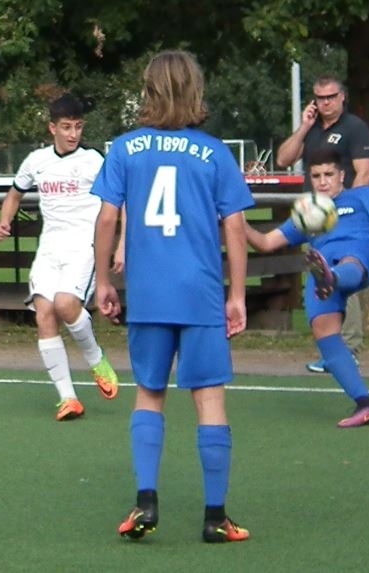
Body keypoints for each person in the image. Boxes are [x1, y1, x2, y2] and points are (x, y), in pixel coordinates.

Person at [91, 50, 254, 543]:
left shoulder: (125, 148)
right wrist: (238, 295)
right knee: (209, 397)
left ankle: (146, 502)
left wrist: (103, 280)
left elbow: (106, 218)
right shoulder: (216, 153)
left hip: (149, 293)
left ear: (149, 90)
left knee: (149, 393)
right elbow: (235, 227)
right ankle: (215, 517)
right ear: (195, 91)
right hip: (200, 292)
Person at [245, 149, 369, 428]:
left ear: (342, 175)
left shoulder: (363, 196)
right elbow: (265, 243)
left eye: (329, 174)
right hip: (323, 265)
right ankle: (366, 405)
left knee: (349, 259)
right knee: (324, 333)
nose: (323, 181)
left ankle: (333, 278)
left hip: (361, 255)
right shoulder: (309, 212)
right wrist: (237, 221)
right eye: (316, 176)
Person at [0, 93, 119, 421]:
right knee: (44, 313)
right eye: (66, 127)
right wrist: (4, 222)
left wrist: (122, 246)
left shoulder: (93, 160)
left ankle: (95, 359)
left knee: (65, 304)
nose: (73, 133)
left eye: (78, 126)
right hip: (49, 250)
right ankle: (68, 399)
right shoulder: (36, 161)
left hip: (83, 248)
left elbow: (121, 200)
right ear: (52, 128)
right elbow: (14, 195)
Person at [277, 74, 369, 374]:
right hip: (316, 217)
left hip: (343, 216)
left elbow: (364, 172)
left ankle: (349, 349)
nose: (326, 103)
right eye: (320, 98)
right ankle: (332, 352)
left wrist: (350, 209)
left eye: (331, 97)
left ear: (342, 96)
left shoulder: (354, 128)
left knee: (344, 276)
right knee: (322, 279)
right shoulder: (313, 130)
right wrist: (304, 127)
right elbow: (283, 159)